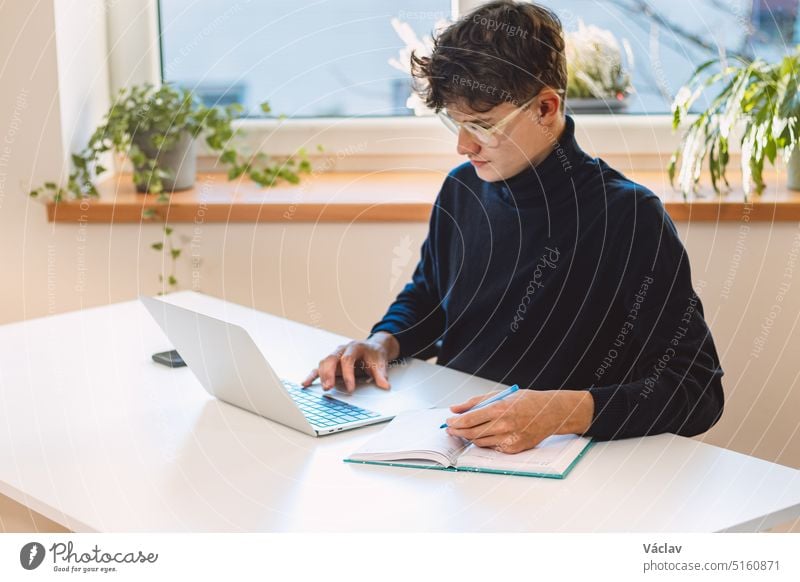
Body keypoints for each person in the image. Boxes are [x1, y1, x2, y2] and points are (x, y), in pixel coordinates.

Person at [302, 0, 724, 453]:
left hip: (560, 463)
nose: (463, 145)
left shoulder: (629, 216)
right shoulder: (463, 189)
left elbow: (697, 389)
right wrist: (382, 343)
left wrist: (558, 413)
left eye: (482, 126)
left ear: (546, 108)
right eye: (454, 123)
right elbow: (429, 299)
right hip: (447, 438)